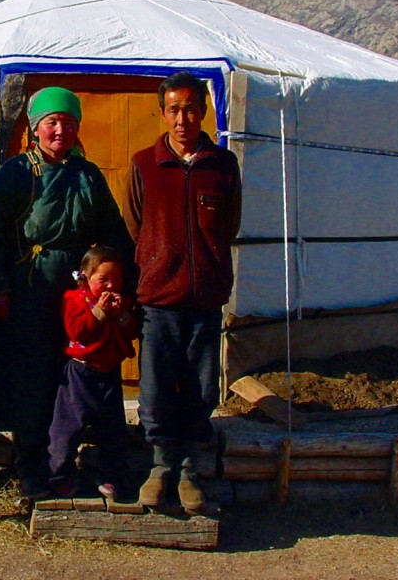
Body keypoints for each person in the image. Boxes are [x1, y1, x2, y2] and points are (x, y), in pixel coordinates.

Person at [0, 86, 133, 500]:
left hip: (76, 294)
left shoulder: (88, 176)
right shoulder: (15, 173)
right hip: (28, 291)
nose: (60, 130)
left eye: (68, 123)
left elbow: (112, 234)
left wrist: (122, 286)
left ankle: (66, 463)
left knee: (74, 379)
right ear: (35, 128)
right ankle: (30, 465)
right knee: (31, 377)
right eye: (52, 122)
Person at [124, 71, 242, 514]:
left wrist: (206, 268)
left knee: (201, 386)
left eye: (190, 109)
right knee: (155, 388)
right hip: (157, 299)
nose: (182, 119)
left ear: (204, 111)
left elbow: (229, 226)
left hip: (205, 298)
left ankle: (190, 470)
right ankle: (159, 468)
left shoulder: (223, 165)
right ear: (162, 113)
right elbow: (133, 227)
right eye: (173, 109)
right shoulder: (144, 164)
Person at [48, 245, 138, 499]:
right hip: (80, 374)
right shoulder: (74, 299)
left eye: (117, 279)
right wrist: (99, 312)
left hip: (109, 374)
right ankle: (59, 475)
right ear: (86, 276)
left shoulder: (122, 302)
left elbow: (132, 331)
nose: (111, 285)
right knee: (68, 429)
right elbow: (78, 332)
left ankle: (109, 476)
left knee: (112, 430)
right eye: (103, 280)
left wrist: (121, 314)